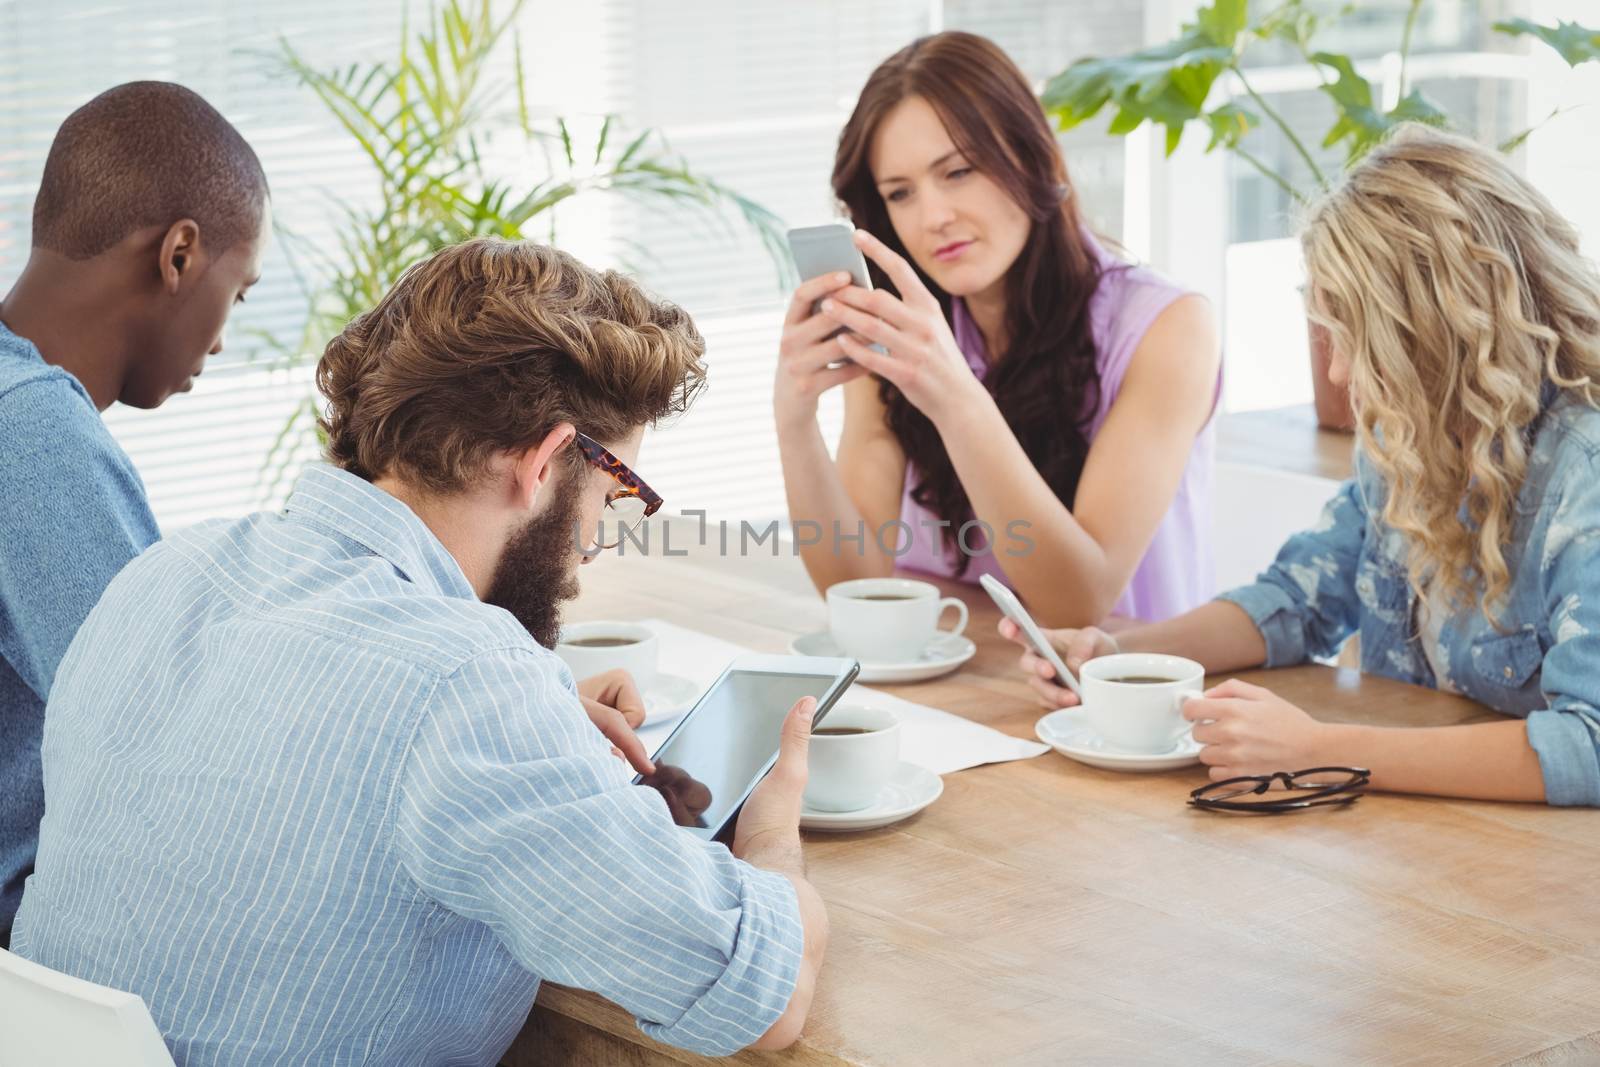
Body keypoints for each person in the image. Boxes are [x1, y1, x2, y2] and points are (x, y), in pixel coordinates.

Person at [12, 238, 828, 1062]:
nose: (594, 545)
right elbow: (765, 995)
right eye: (616, 498)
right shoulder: (464, 684)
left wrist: (536, 724)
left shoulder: (163, 576)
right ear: (547, 461)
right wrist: (768, 833)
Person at [1005, 125, 1600, 807]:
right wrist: (1120, 655)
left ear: (1444, 327)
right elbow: (1299, 598)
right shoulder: (1413, 437)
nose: (1340, 372)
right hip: (1429, 844)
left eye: (1355, 334)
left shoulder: (1585, 470)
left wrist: (1321, 750)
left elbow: (1591, 745)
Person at [776, 31, 1221, 628]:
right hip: (969, 682)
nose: (933, 217)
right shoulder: (903, 325)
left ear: (1030, 154)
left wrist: (956, 397)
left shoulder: (1168, 327)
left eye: (957, 171)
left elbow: (1078, 604)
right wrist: (794, 422)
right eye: (900, 194)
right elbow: (854, 585)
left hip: (1120, 697)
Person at [0, 81, 268, 944]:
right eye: (242, 289)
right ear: (180, 255)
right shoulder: (31, 431)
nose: (223, 337)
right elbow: (173, 734)